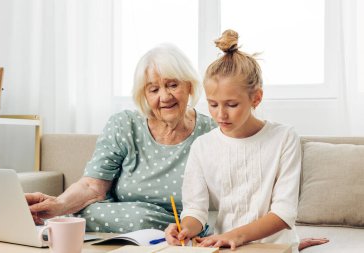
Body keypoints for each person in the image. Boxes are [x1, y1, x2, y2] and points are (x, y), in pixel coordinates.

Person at [164, 29, 328, 252]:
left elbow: (284, 213)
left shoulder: (284, 138)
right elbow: (196, 210)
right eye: (213, 104)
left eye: (231, 105)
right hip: (226, 247)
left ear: (256, 98)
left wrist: (235, 236)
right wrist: (185, 229)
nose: (220, 114)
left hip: (274, 248)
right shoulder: (202, 147)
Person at [25, 44, 215, 233]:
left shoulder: (211, 131)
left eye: (172, 85)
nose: (164, 97)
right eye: (154, 90)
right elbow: (93, 186)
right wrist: (58, 204)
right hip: (118, 221)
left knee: (140, 219)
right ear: (144, 96)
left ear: (189, 85)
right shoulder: (124, 125)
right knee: (125, 216)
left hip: (182, 228)